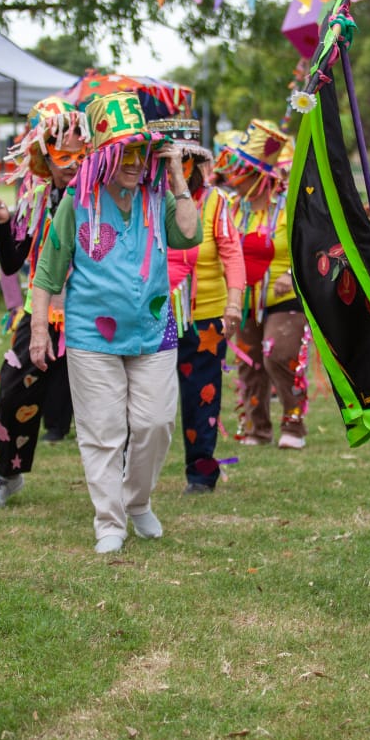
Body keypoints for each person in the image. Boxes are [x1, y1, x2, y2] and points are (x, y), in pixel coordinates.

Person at [27, 92, 201, 554]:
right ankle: (110, 521)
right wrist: (40, 329)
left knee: (156, 423)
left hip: (154, 330)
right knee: (103, 431)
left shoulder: (158, 195)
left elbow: (190, 232)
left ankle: (137, 501)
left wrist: (178, 175)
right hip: (90, 334)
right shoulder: (78, 200)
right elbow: (48, 270)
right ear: (105, 155)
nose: (135, 159)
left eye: (141, 150)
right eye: (125, 151)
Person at [0, 96, 88, 510]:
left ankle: (121, 487)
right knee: (12, 393)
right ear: (43, 153)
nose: (72, 162)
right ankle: (8, 474)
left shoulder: (98, 197)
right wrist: (5, 221)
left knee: (105, 402)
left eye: (79, 152)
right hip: (41, 311)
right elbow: (11, 261)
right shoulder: (37, 197)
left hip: (91, 313)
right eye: (62, 153)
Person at [216, 120, 308, 449]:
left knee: (277, 355)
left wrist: (292, 275)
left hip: (287, 299)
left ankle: (294, 425)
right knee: (250, 363)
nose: (233, 182)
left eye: (240, 176)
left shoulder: (291, 208)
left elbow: (310, 249)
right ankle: (258, 429)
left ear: (259, 178)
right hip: (244, 300)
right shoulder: (230, 210)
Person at [164, 122, 244, 493]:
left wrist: (233, 303)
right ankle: (133, 470)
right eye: (169, 163)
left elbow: (232, 254)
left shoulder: (215, 202)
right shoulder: (153, 200)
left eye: (184, 162)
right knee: (150, 396)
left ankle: (200, 475)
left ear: (197, 164)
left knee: (202, 396)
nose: (176, 171)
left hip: (207, 318)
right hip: (157, 314)